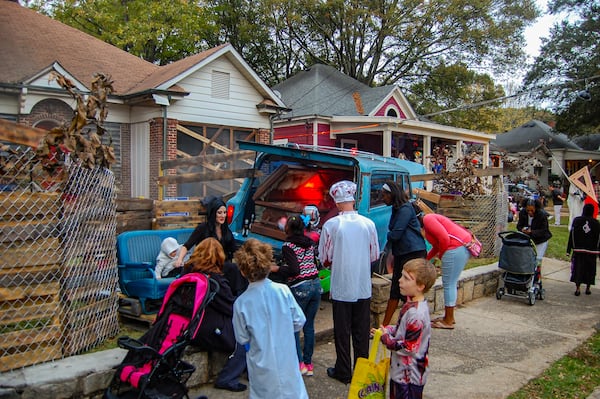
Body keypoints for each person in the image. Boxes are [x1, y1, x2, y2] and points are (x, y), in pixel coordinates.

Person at [318, 180, 380, 384]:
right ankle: (362, 372)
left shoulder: (331, 225)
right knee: (362, 331)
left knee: (342, 331)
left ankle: (343, 370)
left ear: (336, 201)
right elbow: (374, 255)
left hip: (341, 285)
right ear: (353, 199)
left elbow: (325, 258)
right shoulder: (368, 224)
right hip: (362, 284)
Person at [232, 239, 308, 399]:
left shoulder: (241, 303)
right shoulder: (283, 291)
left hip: (261, 364)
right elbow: (299, 321)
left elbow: (242, 338)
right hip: (286, 359)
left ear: (243, 271)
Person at [185, 238, 247, 392]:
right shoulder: (215, 279)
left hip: (187, 325)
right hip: (207, 329)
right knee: (246, 338)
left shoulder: (187, 272)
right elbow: (231, 308)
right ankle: (227, 378)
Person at [372, 258, 437, 399]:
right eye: (402, 276)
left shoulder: (416, 315)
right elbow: (402, 330)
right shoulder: (411, 304)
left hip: (409, 376)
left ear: (420, 286)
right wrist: (388, 330)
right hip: (401, 371)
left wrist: (385, 338)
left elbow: (408, 347)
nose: (400, 280)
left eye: (407, 279)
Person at [271, 215, 321, 376]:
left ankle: (299, 364)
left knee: (294, 326)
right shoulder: (310, 242)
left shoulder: (288, 246)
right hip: (316, 285)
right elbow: (313, 262)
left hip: (301, 287)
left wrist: (276, 269)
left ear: (289, 229)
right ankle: (309, 363)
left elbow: (294, 270)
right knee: (309, 326)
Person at [413, 204, 471, 330]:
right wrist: (426, 260)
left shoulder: (428, 219)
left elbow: (444, 239)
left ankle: (448, 320)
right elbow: (437, 245)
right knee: (450, 283)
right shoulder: (428, 223)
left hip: (455, 248)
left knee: (448, 283)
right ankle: (448, 317)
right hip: (459, 247)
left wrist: (442, 254)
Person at [176, 195, 247, 295]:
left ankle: (236, 297)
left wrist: (245, 262)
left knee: (235, 269)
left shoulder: (226, 231)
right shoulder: (202, 228)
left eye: (224, 212)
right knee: (230, 268)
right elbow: (187, 245)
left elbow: (235, 250)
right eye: (219, 213)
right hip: (205, 264)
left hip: (222, 264)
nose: (223, 215)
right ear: (213, 213)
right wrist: (179, 259)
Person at [380, 181, 427, 327]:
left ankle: (409, 322)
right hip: (404, 253)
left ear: (391, 194)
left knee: (409, 289)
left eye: (384, 196)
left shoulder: (405, 209)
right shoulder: (397, 208)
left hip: (412, 253)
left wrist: (388, 235)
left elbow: (395, 235)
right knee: (397, 289)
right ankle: (387, 325)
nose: (383, 199)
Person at [517, 197, 552, 290]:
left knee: (537, 261)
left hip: (541, 240)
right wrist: (522, 229)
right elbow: (519, 225)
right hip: (529, 239)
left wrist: (532, 232)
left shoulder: (542, 215)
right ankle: (526, 280)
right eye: (528, 210)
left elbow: (544, 230)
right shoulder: (523, 213)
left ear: (536, 208)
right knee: (528, 259)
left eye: (532, 210)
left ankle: (537, 281)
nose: (530, 212)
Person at [566, 204, 599, 296]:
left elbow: (572, 235)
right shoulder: (596, 223)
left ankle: (578, 289)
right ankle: (588, 288)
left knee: (578, 269)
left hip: (579, 250)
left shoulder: (577, 221)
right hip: (591, 251)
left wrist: (569, 249)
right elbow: (598, 238)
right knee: (590, 269)